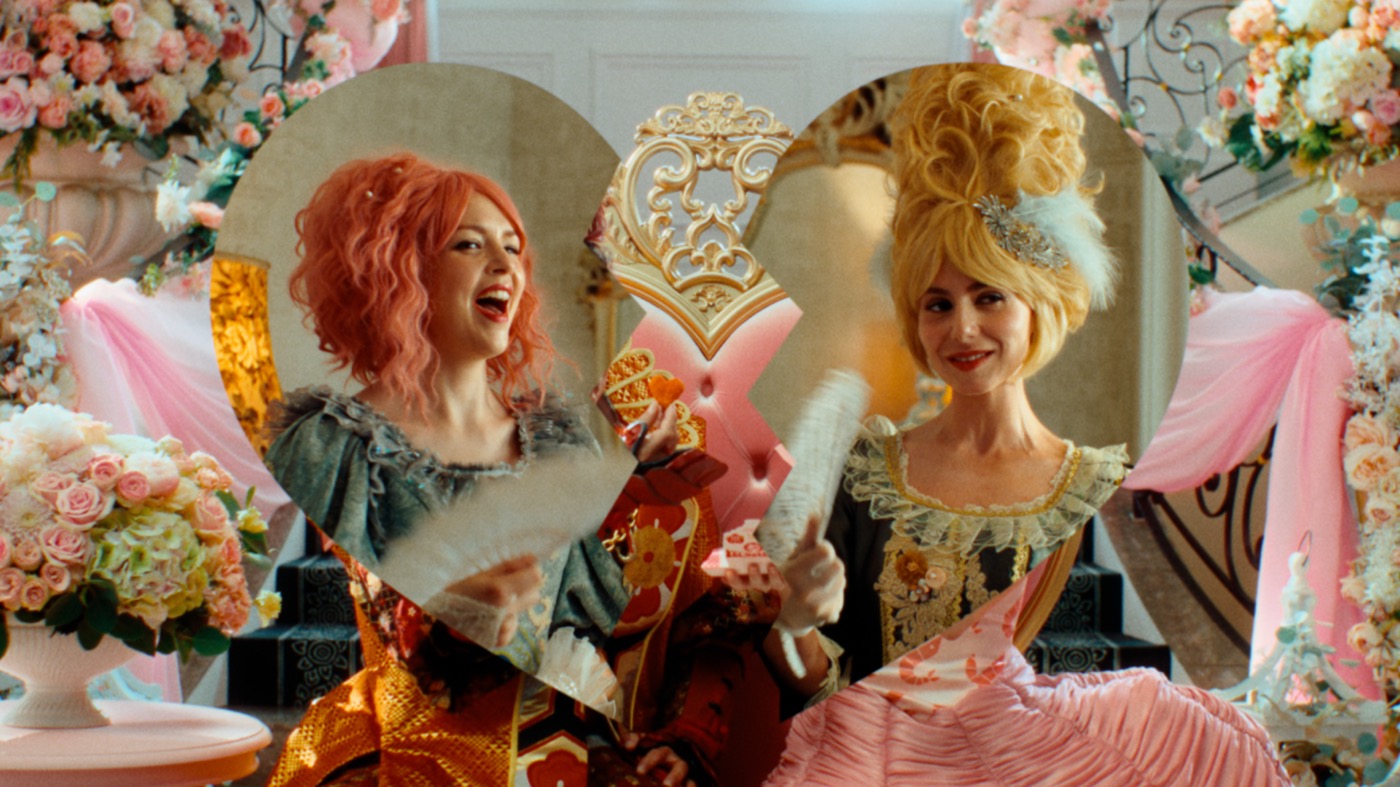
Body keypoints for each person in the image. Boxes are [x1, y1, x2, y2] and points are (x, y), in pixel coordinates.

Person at [755, 65, 1289, 785]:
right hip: (858, 749)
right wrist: (792, 620)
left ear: (1037, 303)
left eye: (989, 296)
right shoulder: (869, 466)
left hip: (1004, 742)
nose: (962, 329)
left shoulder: (1085, 478)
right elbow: (812, 678)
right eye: (937, 303)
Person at [262, 153, 703, 786]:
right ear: (402, 266)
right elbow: (404, 635)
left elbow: (598, 615)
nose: (506, 267)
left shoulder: (560, 439)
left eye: (513, 249)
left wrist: (640, 486)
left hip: (562, 745)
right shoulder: (330, 446)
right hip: (415, 754)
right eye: (469, 244)